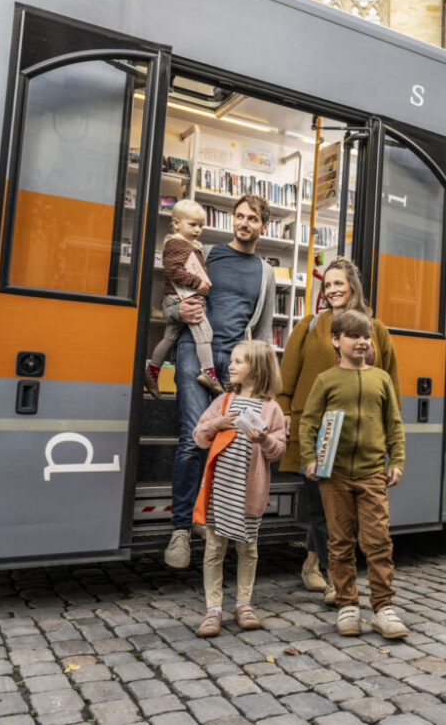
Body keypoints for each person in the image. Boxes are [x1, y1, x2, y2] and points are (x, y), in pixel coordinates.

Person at [277, 257, 399, 602]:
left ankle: (313, 565)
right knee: (320, 507)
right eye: (326, 285)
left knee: (344, 513)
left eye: (338, 284)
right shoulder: (310, 325)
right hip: (314, 430)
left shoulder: (376, 329)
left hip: (359, 438)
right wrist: (285, 411)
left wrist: (390, 435)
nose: (331, 290)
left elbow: (390, 383)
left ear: (353, 287)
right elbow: (287, 375)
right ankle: (335, 580)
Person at [166, 194, 276, 569]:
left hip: (236, 363)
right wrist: (176, 309)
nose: (244, 223)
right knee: (193, 437)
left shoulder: (265, 271)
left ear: (264, 226)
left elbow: (262, 331)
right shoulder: (207, 253)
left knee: (229, 442)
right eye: (239, 216)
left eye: (252, 219)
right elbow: (171, 295)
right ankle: (181, 528)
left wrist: (260, 381)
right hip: (193, 351)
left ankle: (210, 517)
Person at [301, 309, 407, 638]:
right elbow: (309, 422)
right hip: (334, 477)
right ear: (336, 340)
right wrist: (309, 458)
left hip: (373, 473)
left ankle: (383, 608)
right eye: (353, 336)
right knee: (340, 543)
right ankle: (347, 605)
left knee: (378, 542)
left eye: (366, 337)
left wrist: (396, 460)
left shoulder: (381, 379)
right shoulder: (326, 380)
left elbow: (394, 423)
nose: (362, 342)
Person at [190, 339, 287, 637]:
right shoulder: (224, 402)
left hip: (249, 492)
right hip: (221, 491)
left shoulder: (272, 409)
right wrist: (217, 423)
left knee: (248, 549)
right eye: (232, 360)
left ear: (257, 368)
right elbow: (198, 436)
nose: (230, 366)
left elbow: (278, 451)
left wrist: (264, 441)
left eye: (238, 361)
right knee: (214, 548)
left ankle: (243, 604)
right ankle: (213, 609)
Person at [144, 200, 223, 401]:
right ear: (177, 223)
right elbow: (172, 271)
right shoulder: (177, 244)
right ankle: (209, 373)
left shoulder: (187, 244)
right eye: (193, 224)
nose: (198, 230)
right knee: (205, 333)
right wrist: (197, 283)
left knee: (170, 337)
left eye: (201, 225)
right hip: (184, 299)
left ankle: (152, 371)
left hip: (179, 298)